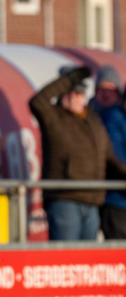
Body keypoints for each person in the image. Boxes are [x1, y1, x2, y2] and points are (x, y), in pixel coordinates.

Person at [30, 66, 126, 241]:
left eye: (78, 93)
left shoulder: (93, 119)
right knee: (67, 254)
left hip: (92, 201)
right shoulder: (54, 117)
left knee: (87, 255)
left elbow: (109, 157)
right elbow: (37, 102)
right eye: (69, 93)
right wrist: (68, 80)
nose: (73, 98)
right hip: (65, 199)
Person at [91, 66, 126, 239]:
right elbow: (115, 155)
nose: (105, 94)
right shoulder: (112, 118)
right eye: (101, 89)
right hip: (114, 198)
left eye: (110, 89)